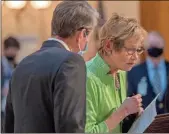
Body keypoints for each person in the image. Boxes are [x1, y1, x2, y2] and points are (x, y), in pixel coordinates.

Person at [3, 1, 99, 133]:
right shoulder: (71, 62)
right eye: (88, 36)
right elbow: (70, 125)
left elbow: (8, 125)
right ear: (82, 34)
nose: (87, 41)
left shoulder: (22, 65)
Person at [85, 13, 147, 133]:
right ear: (109, 45)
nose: (135, 57)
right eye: (130, 50)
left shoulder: (121, 71)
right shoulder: (87, 77)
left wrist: (132, 115)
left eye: (138, 50)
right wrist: (123, 111)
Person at [127, 31, 169, 114]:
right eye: (151, 44)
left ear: (164, 47)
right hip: (147, 123)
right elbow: (131, 100)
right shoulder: (134, 72)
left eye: (157, 44)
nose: (154, 47)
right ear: (145, 48)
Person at [1, 36, 20, 120]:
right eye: (11, 50)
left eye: (15, 50)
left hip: (13, 104)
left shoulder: (17, 66)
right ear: (5, 49)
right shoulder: (2, 65)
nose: (13, 53)